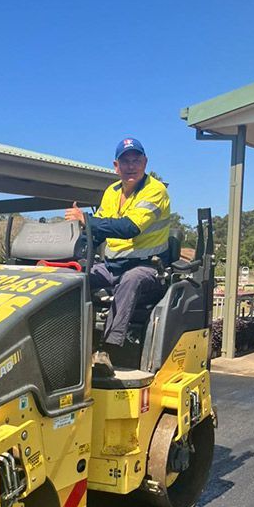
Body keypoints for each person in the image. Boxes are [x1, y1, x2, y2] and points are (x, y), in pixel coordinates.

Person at [65, 137, 170, 373]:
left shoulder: (156, 190)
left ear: (145, 162)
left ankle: (108, 350)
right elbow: (97, 232)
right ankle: (73, 342)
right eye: (125, 161)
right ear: (116, 166)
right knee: (76, 278)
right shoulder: (111, 192)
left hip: (149, 267)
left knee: (130, 281)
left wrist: (86, 219)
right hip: (112, 265)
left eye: (136, 160)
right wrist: (72, 254)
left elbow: (129, 228)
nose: (131, 166)